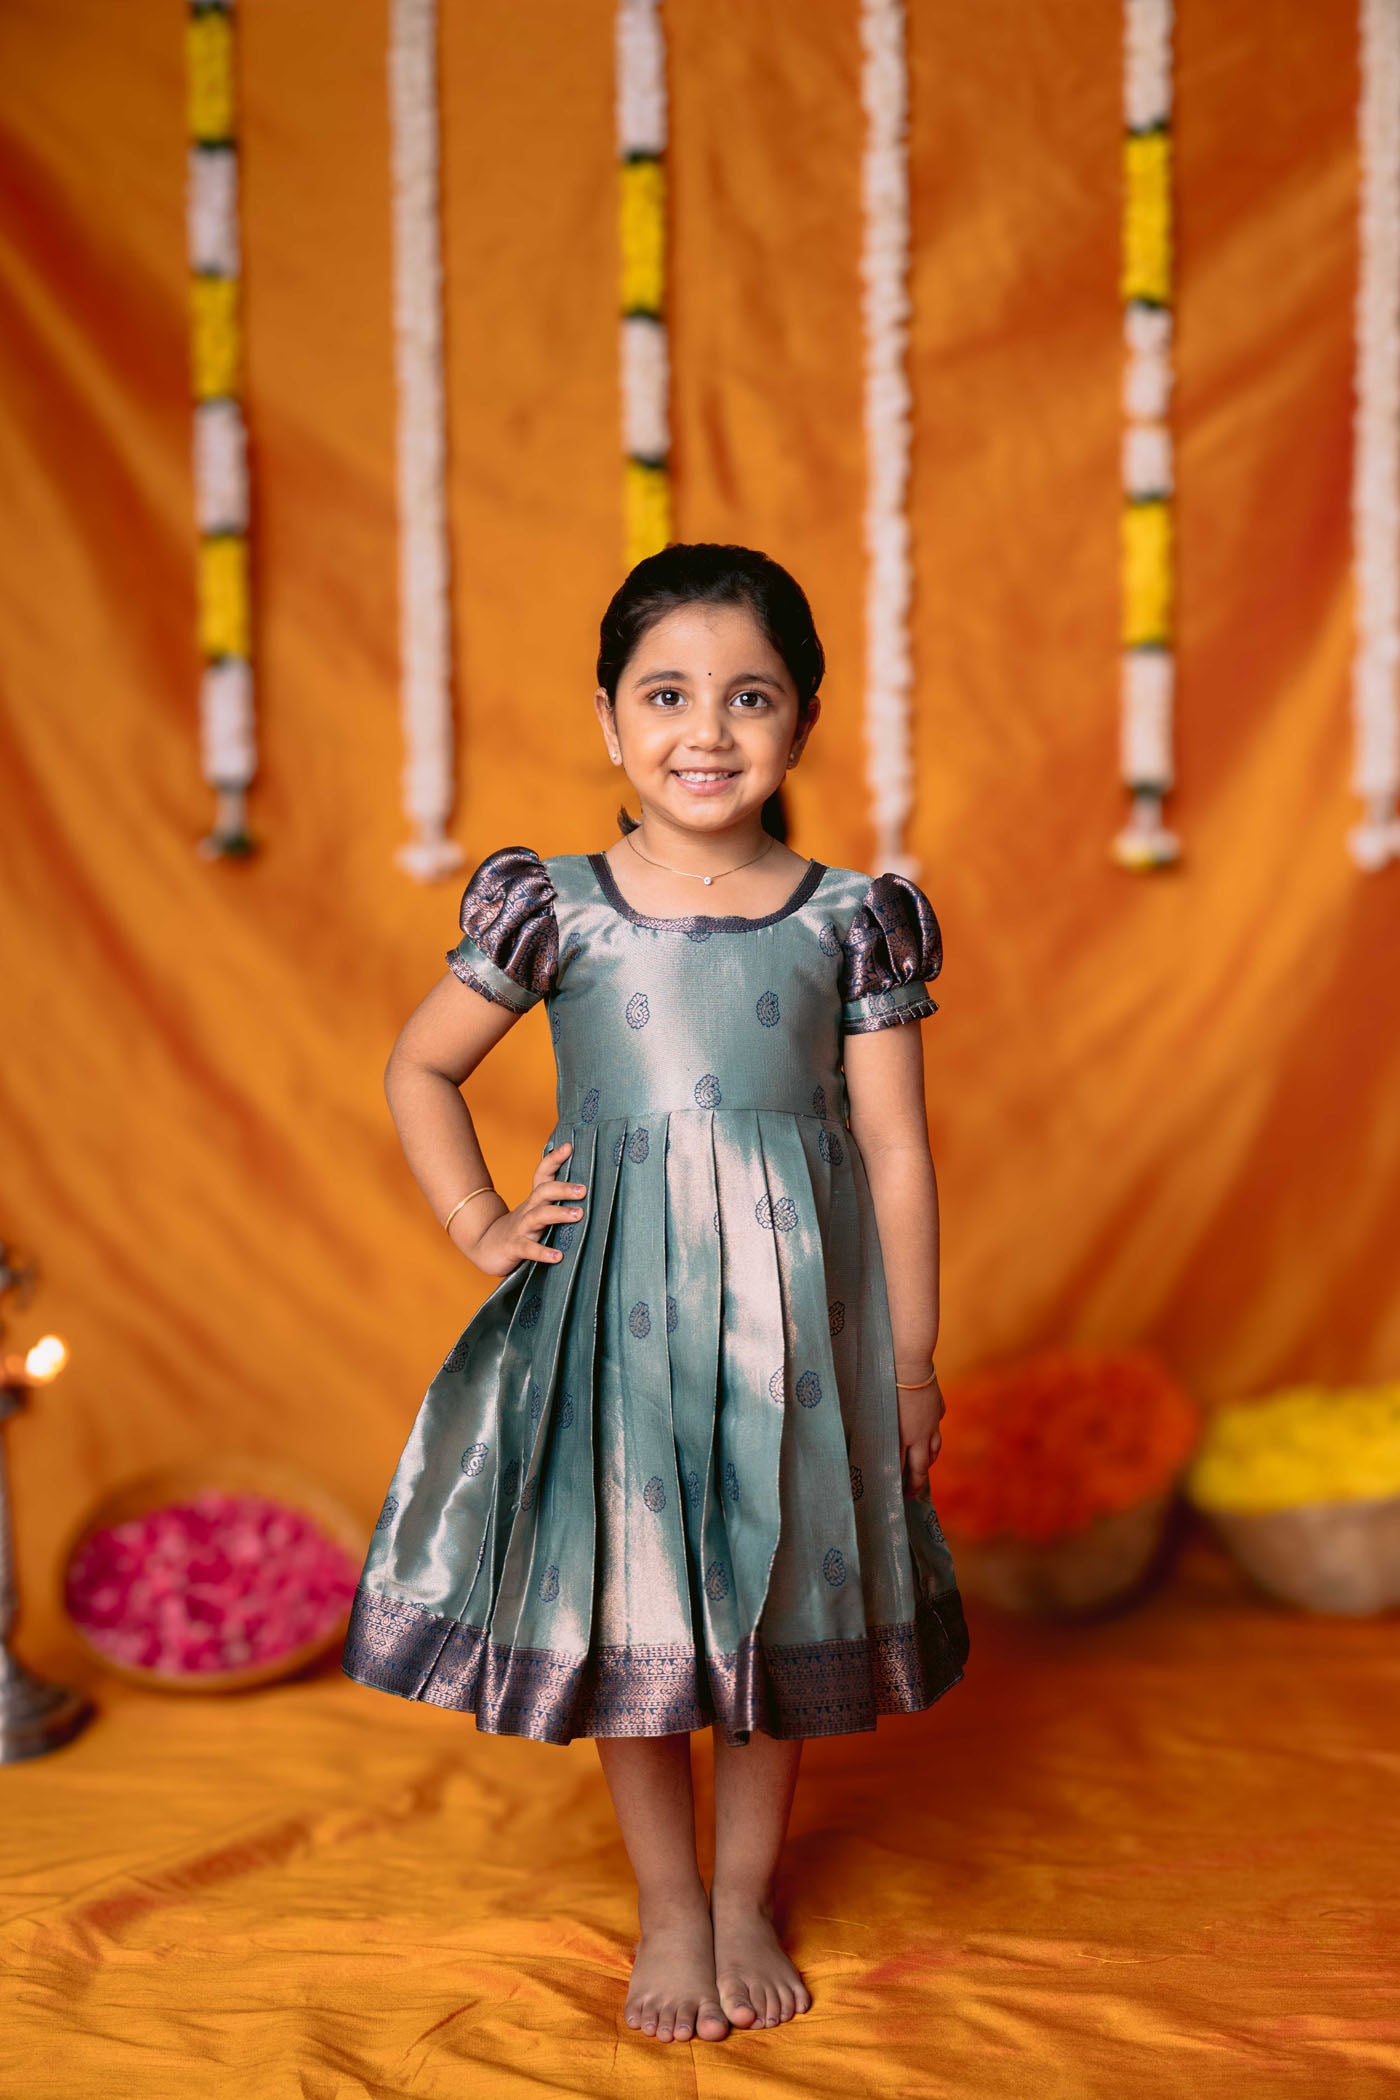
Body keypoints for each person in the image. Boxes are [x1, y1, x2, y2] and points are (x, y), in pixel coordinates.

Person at [340, 541, 969, 2044]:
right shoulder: (556, 908)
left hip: (795, 1341)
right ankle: (670, 1905)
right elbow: (421, 1066)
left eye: (750, 696)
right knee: (634, 1600)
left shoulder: (850, 917)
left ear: (804, 718)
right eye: (667, 694)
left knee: (772, 1600)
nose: (707, 730)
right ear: (609, 720)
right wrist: (480, 1219)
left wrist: (912, 1361)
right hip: (612, 1326)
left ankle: (743, 1895)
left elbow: (895, 1147)